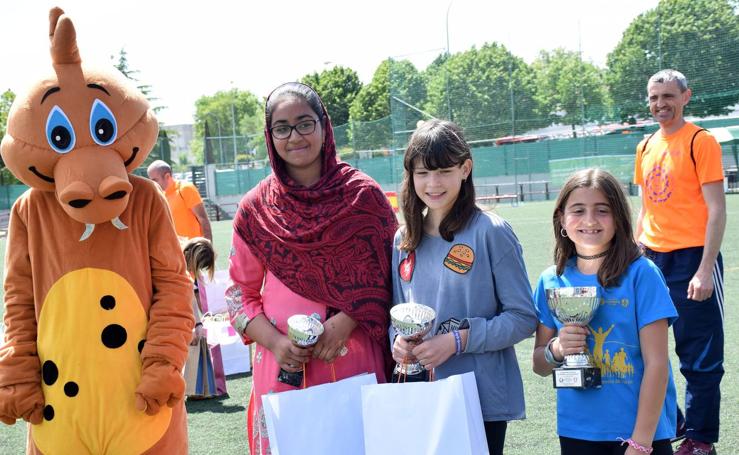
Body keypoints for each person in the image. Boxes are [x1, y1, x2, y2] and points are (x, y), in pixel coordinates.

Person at [225, 82, 398, 455]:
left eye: (305, 123)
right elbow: (239, 294)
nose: (295, 136)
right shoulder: (256, 209)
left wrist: (346, 322)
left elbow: (394, 274)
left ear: (324, 126)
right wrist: (277, 344)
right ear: (270, 137)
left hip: (352, 359)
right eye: (282, 128)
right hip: (285, 369)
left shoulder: (363, 197)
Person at [390, 119, 538, 455]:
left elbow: (523, 317)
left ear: (465, 169)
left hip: (478, 396)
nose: (433, 183)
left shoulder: (491, 231)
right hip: (419, 392)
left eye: (443, 171)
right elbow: (397, 315)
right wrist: (396, 343)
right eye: (422, 173)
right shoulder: (403, 239)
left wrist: (458, 341)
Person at [532, 168, 678, 455]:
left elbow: (657, 364)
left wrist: (640, 443)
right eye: (578, 210)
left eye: (602, 210)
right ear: (562, 218)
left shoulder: (641, 274)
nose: (589, 220)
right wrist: (558, 348)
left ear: (618, 218)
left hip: (640, 435)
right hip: (577, 432)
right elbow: (539, 364)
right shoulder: (551, 279)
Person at [634, 69, 726, 455]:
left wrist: (705, 269)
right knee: (641, 350)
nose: (660, 105)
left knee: (699, 357)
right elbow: (645, 209)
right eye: (654, 98)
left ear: (686, 96)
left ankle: (700, 439)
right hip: (652, 261)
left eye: (668, 96)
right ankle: (675, 421)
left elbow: (717, 210)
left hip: (693, 260)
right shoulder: (644, 145)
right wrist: (634, 256)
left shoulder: (701, 142)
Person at [181, 237, 220, 399]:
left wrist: (197, 324)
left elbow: (189, 293)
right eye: (198, 266)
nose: (195, 271)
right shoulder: (171, 258)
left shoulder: (184, 269)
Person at [147, 160, 213, 242]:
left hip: (194, 249)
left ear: (167, 176)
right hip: (175, 250)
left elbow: (202, 218)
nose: (153, 184)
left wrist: (208, 246)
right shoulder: (160, 196)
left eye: (155, 180)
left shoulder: (186, 189)